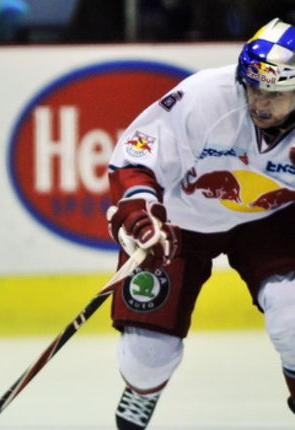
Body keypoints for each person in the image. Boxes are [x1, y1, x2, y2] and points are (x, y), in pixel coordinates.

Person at [105, 17, 295, 430]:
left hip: (271, 220)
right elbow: (136, 156)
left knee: (293, 318)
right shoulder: (205, 96)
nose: (260, 102)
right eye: (254, 87)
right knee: (146, 361)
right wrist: (140, 217)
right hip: (179, 220)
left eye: (276, 93)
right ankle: (143, 390)